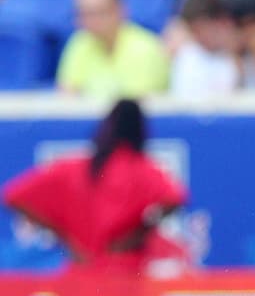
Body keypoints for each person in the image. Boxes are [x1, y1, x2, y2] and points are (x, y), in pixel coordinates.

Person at [2, 100, 188, 273]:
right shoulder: (141, 170)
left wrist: (65, 237)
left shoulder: (72, 169)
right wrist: (139, 233)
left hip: (81, 271)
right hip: (125, 274)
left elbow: (13, 196)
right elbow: (176, 198)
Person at [57, 0, 170, 98]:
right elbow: (67, 97)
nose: (90, 20)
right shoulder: (79, 42)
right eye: (83, 13)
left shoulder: (146, 48)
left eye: (98, 12)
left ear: (120, 10)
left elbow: (135, 107)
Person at [169, 0, 240, 98]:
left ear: (223, 22)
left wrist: (236, 57)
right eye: (194, 32)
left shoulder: (252, 50)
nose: (198, 38)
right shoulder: (187, 58)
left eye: (202, 30)